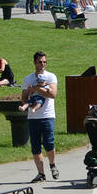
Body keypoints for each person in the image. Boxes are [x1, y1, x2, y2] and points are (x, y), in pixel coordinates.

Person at [20, 51, 59, 182]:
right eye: (40, 62)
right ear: (34, 63)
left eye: (44, 62)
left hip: (48, 115)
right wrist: (28, 104)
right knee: (35, 146)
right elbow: (24, 96)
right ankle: (41, 173)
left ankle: (52, 165)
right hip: (33, 117)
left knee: (49, 143)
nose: (42, 64)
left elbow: (53, 94)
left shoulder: (51, 77)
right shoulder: (28, 79)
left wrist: (37, 89)